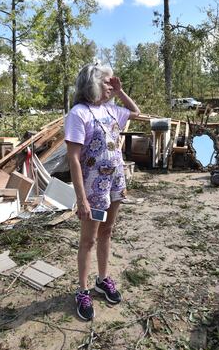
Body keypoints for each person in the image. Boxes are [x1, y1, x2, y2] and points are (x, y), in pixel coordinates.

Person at [64, 63, 140, 321]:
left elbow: (135, 112)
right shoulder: (78, 113)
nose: (112, 84)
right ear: (92, 83)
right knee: (88, 240)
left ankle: (102, 279)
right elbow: (73, 159)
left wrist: (119, 91)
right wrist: (81, 198)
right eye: (108, 82)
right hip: (94, 190)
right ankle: (83, 290)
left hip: (115, 184)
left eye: (113, 82)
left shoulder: (110, 109)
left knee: (107, 232)